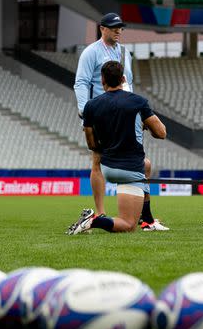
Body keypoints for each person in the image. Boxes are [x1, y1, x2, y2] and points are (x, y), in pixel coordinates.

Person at [73, 12, 160, 230]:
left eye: (120, 27)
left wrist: (136, 113)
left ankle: (146, 218)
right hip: (101, 115)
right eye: (114, 27)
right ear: (102, 28)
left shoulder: (124, 52)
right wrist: (85, 112)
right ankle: (100, 212)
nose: (118, 30)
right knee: (97, 160)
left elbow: (128, 83)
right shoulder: (90, 52)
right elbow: (81, 82)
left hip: (125, 115)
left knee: (142, 162)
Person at [67, 61, 168, 235]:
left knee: (147, 165)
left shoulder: (90, 106)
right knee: (128, 225)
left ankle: (148, 219)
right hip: (130, 170)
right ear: (123, 79)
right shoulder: (138, 102)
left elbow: (91, 144)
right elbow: (161, 133)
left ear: (102, 80)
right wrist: (145, 125)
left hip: (107, 168)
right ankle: (92, 220)